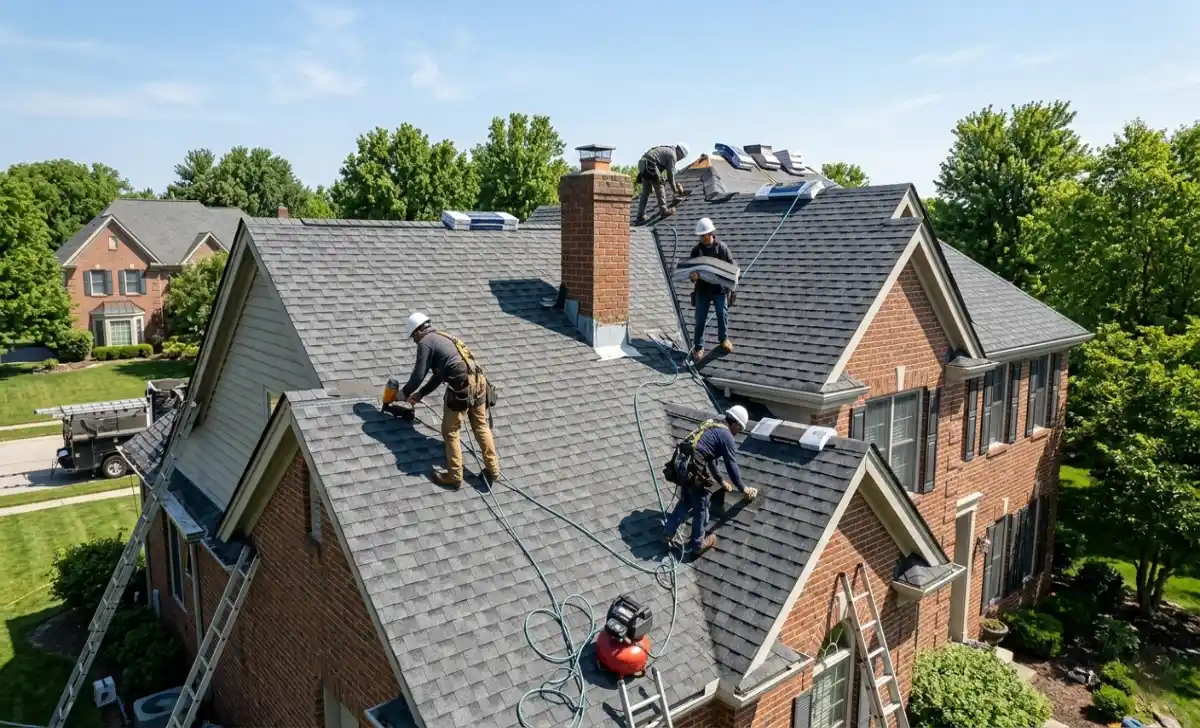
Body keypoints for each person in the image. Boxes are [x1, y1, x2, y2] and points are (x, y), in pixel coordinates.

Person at [396, 312, 500, 488]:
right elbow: (439, 375)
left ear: (417, 332)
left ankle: (454, 476)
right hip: (480, 381)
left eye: (413, 337)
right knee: (481, 426)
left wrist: (403, 393)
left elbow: (418, 375)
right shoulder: (444, 337)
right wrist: (420, 395)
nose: (414, 341)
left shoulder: (425, 343)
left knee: (450, 430)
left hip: (461, 386)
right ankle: (493, 470)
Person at [663, 406, 758, 553]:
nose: (737, 432)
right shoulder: (726, 436)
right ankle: (697, 544)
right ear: (735, 424)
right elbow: (731, 467)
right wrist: (743, 488)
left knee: (687, 500)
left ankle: (668, 531)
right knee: (701, 506)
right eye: (739, 429)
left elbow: (709, 459)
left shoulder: (713, 424)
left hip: (682, 464)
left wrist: (720, 481)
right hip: (693, 468)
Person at [689, 217, 736, 362]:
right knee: (700, 319)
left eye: (704, 235)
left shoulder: (721, 248)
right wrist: (693, 276)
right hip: (702, 290)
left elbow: (732, 266)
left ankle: (723, 340)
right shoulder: (696, 251)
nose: (702, 238)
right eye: (700, 236)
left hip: (719, 290)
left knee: (722, 315)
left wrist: (732, 276)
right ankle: (698, 346)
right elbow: (691, 272)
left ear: (711, 233)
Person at [634, 143, 689, 225]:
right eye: (682, 157)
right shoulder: (673, 154)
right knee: (660, 184)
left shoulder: (668, 150)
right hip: (650, 164)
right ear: (680, 152)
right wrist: (675, 190)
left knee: (646, 191)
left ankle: (640, 215)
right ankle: (663, 210)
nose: (680, 159)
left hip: (643, 163)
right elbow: (670, 174)